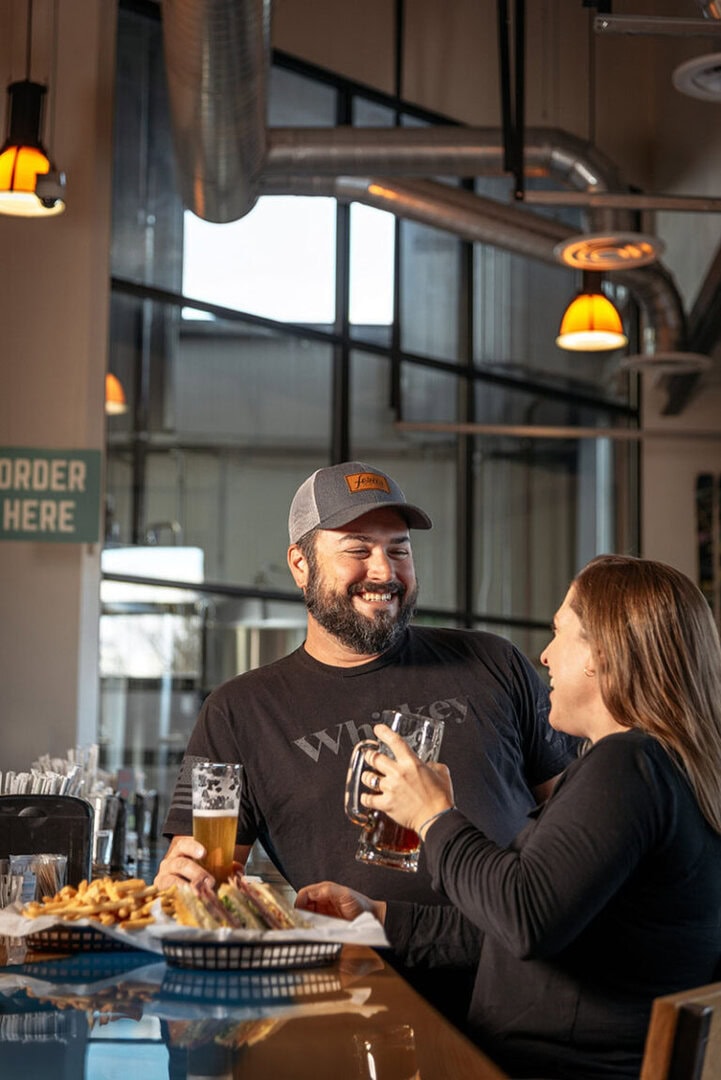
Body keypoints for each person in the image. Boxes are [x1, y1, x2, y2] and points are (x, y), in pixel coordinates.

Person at [156, 460, 577, 1019]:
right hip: (357, 1002)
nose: (384, 571)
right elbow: (210, 885)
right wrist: (180, 889)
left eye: (399, 550)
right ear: (300, 564)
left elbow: (573, 823)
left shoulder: (493, 662)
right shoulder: (239, 713)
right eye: (358, 549)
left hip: (523, 991)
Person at [297, 555, 721, 1080]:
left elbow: (525, 919)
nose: (544, 655)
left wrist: (433, 816)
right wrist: (377, 917)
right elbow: (514, 921)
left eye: (560, 634)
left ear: (602, 655)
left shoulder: (628, 766)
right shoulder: (663, 767)